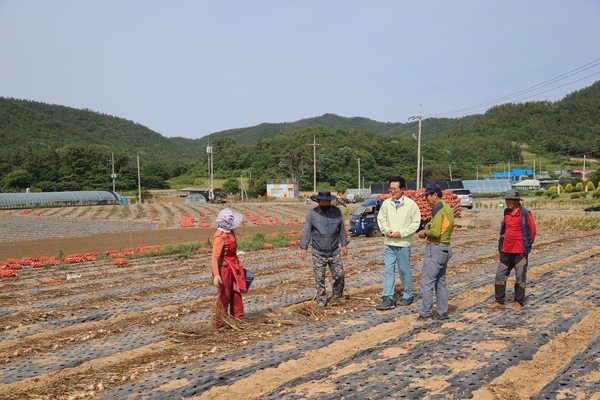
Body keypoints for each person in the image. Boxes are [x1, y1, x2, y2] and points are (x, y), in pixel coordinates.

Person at [376, 176, 422, 310]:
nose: (392, 191)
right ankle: (387, 297)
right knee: (388, 270)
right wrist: (386, 230)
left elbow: (415, 223)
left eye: (395, 189)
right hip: (389, 242)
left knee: (404, 270)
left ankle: (408, 295)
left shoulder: (411, 205)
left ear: (402, 189)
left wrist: (402, 233)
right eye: (390, 189)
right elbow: (381, 219)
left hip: (403, 243)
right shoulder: (386, 203)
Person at [412, 183, 454, 327]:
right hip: (445, 248)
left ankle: (425, 315)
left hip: (436, 248)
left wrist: (424, 232)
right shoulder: (446, 207)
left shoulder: (438, 207)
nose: (426, 200)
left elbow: (435, 233)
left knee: (426, 282)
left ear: (434, 195)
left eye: (428, 196)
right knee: (440, 281)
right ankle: (442, 313)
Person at [300, 189, 349, 307]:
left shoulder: (337, 212)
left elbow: (341, 229)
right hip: (318, 251)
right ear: (318, 201)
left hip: (334, 250)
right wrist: (304, 247)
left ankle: (337, 294)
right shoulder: (312, 214)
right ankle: (321, 299)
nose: (325, 204)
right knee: (319, 277)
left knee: (339, 275)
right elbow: (307, 231)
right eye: (323, 201)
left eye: (328, 202)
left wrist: (343, 245)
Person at [489, 189, 536, 311]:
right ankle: (499, 300)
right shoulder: (506, 212)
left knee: (520, 276)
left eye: (510, 200)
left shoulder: (525, 213)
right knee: (500, 275)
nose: (508, 202)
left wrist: (527, 245)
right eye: (507, 200)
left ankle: (518, 301)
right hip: (506, 250)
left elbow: (533, 231)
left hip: (519, 251)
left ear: (516, 201)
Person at [211, 208, 247, 323]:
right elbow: (215, 257)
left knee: (236, 291)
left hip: (234, 266)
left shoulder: (230, 232)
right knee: (225, 295)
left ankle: (238, 319)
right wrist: (216, 274)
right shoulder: (220, 236)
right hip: (224, 268)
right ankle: (220, 321)